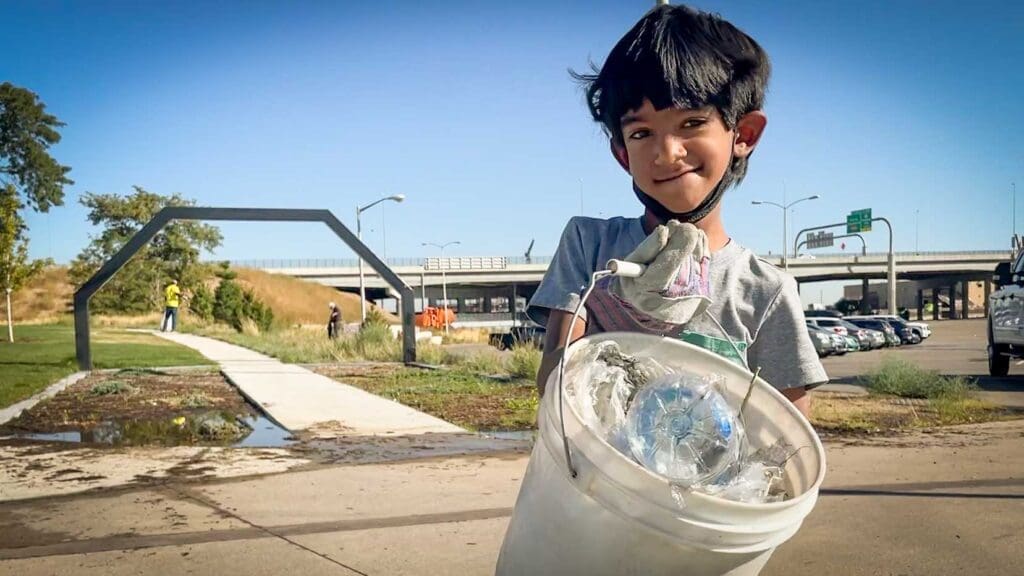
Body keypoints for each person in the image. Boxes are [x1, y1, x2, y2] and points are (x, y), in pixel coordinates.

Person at [529, 4, 827, 417]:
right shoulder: (590, 245)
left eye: (691, 123)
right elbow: (555, 379)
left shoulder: (767, 291)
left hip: (708, 483)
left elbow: (789, 433)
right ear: (622, 154)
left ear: (743, 133)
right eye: (642, 132)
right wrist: (627, 314)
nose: (667, 153)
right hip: (593, 480)